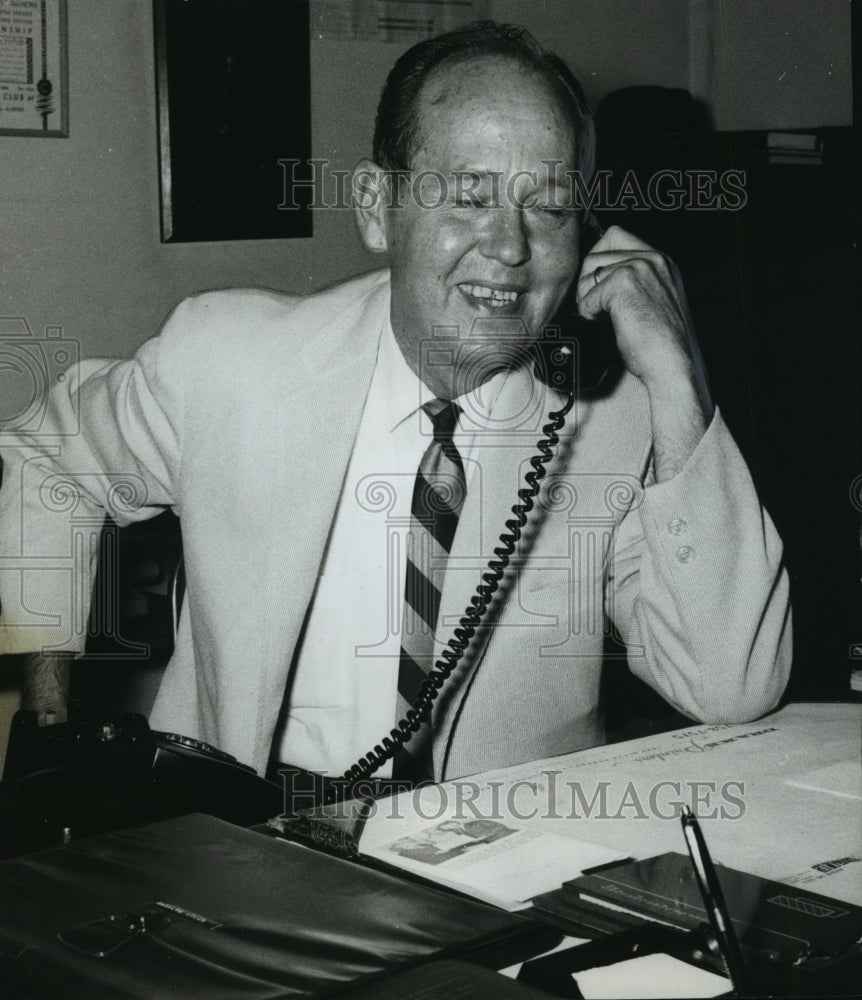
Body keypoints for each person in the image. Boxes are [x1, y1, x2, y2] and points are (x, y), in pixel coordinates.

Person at [0, 22, 791, 784]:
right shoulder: (227, 359)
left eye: (549, 208)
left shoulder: (609, 412)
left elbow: (731, 687)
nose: (511, 248)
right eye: (468, 197)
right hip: (244, 843)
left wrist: (680, 382)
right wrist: (46, 718)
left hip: (500, 868)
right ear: (378, 207)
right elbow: (46, 455)